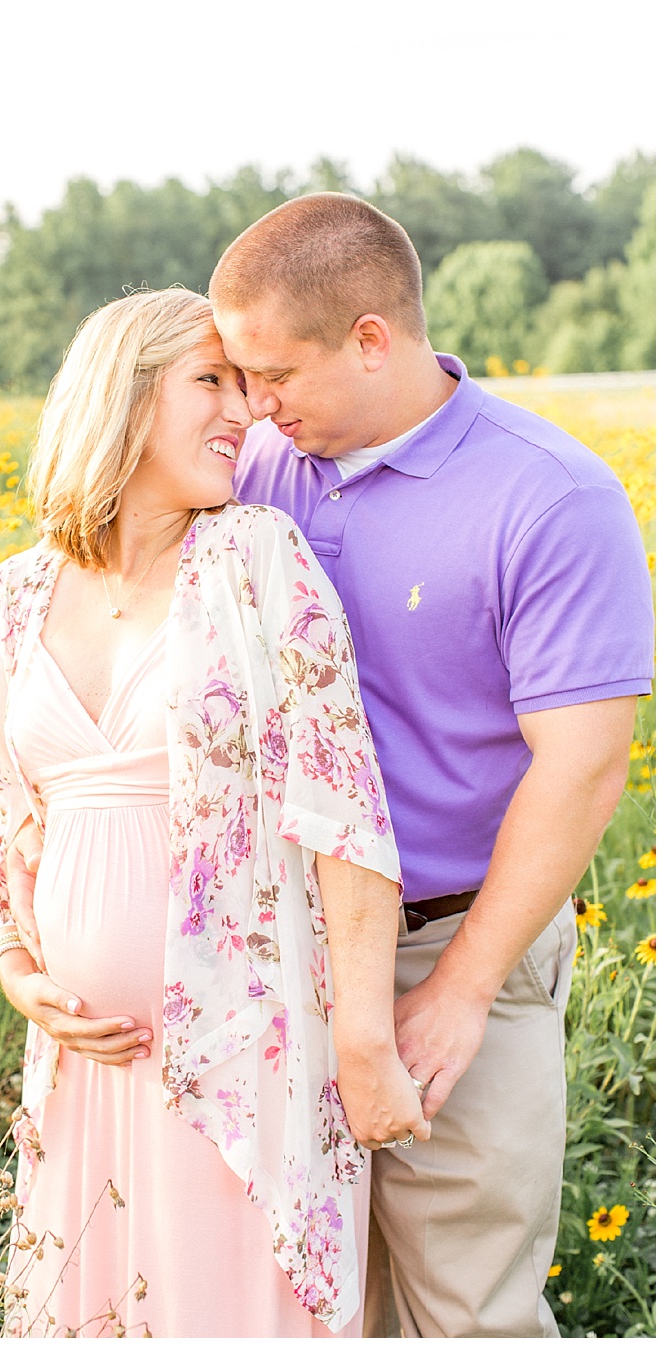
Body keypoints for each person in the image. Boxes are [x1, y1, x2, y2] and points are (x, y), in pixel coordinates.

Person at [209, 192, 652, 1338]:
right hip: (280, 952)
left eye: (274, 375)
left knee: (466, 1310)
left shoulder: (549, 497)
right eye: (238, 379)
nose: (254, 407)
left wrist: (458, 993)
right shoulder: (256, 467)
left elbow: (586, 767)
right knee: (306, 1307)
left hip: (451, 943)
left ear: (372, 338)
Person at [0, 287, 428, 1338]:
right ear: (122, 399)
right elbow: (2, 844)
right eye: (210, 381)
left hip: (243, 1057)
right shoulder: (13, 597)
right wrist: (24, 981)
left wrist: (363, 1039)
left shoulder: (256, 560)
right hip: (86, 1068)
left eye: (249, 387)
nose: (244, 412)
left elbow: (343, 820)